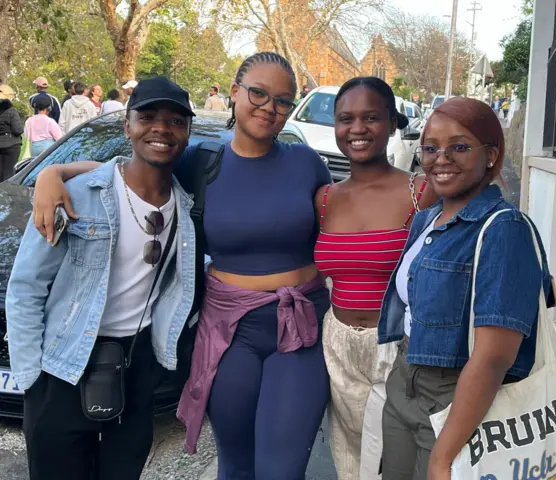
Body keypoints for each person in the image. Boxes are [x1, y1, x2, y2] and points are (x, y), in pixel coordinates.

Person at [30, 52, 333, 479]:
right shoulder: (201, 162)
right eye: (258, 94)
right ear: (234, 92)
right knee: (236, 464)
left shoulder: (306, 163)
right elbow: (126, 174)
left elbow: (347, 220)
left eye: (282, 101)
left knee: (282, 469)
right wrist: (53, 173)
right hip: (231, 333)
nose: (269, 107)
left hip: (297, 327)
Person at [6, 77, 197, 480]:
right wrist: (32, 381)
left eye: (175, 121)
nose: (161, 128)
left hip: (137, 365)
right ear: (127, 126)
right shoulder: (76, 194)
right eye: (147, 117)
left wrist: (54, 168)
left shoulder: (188, 205)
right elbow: (26, 287)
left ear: (186, 133)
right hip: (63, 365)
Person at [377, 97, 553, 480]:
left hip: (457, 401)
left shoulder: (504, 229)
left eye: (458, 146)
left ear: (490, 155)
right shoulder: (426, 220)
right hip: (404, 385)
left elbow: (493, 357)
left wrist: (444, 456)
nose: (441, 158)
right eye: (430, 147)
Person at [313, 77, 438, 479]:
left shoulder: (422, 192)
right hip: (337, 345)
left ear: (392, 123)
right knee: (350, 454)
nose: (357, 129)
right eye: (346, 118)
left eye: (371, 117)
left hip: (397, 347)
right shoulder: (326, 198)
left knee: (395, 457)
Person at [0, 83, 23, 181]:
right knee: (9, 175)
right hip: (11, 145)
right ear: (9, 95)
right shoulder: (11, 110)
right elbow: (17, 130)